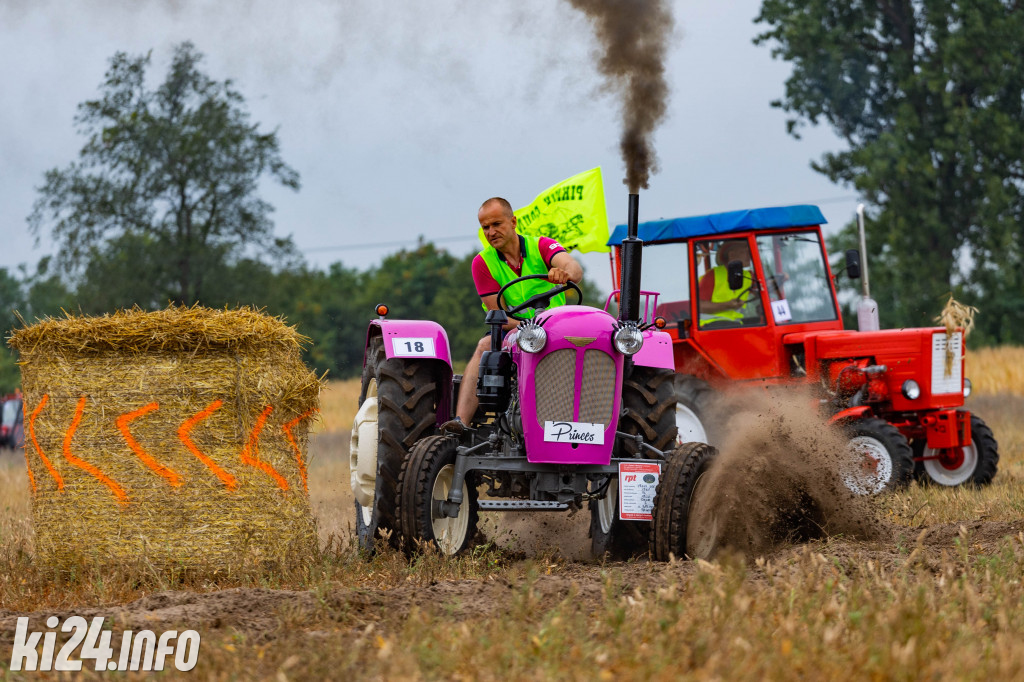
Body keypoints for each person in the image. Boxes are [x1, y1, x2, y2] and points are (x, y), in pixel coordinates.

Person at [441, 197, 583, 434]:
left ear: (513, 221)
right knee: (485, 344)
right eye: (485, 227)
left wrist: (564, 273)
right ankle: (461, 422)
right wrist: (529, 328)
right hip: (515, 329)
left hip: (557, 326)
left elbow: (575, 270)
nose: (491, 232)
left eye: (497, 224)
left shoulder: (541, 246)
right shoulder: (482, 263)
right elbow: (499, 315)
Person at [698, 239, 759, 326]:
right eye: (745, 252)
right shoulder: (712, 275)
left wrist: (775, 282)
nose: (749, 255)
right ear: (732, 255)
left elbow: (761, 291)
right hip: (711, 325)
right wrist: (727, 305)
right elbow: (699, 306)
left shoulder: (748, 276)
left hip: (736, 323)